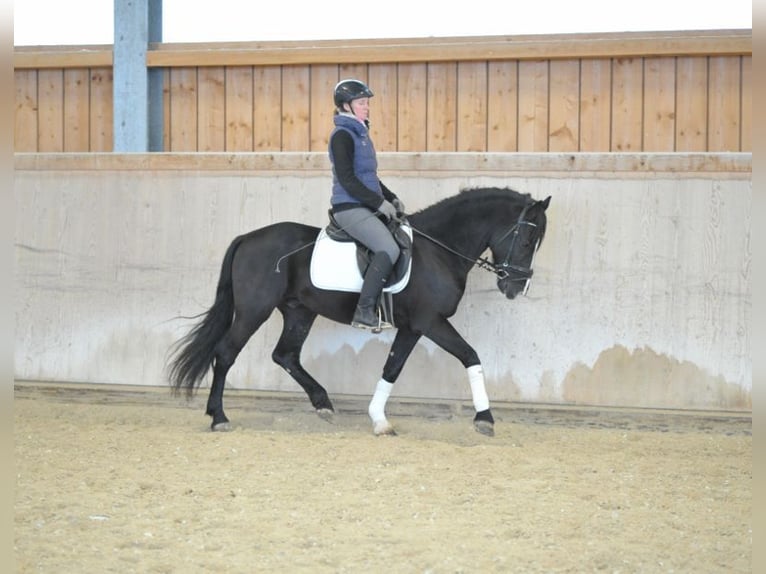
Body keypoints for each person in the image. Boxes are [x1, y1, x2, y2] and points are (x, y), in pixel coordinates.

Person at [328, 79, 405, 329]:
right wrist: (379, 203)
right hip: (348, 207)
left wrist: (391, 197)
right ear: (346, 106)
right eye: (362, 103)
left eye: (367, 103)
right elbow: (348, 180)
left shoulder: (361, 134)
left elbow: (370, 178)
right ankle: (364, 311)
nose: (367, 107)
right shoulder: (342, 135)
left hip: (365, 204)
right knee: (389, 249)